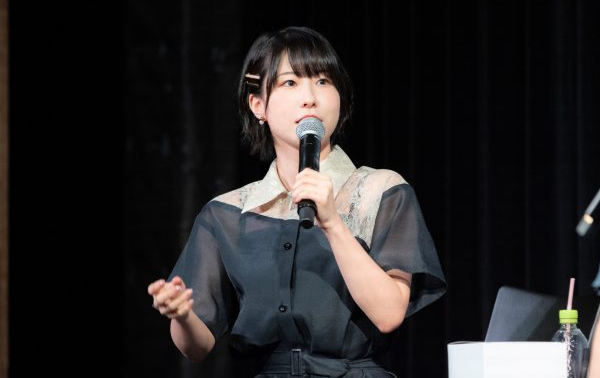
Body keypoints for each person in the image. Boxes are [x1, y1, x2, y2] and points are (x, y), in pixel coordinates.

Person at [147, 26, 447, 377]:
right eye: (290, 82)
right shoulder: (226, 213)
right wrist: (182, 315)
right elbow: (196, 348)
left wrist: (332, 223)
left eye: (323, 81)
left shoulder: (380, 190)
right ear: (258, 105)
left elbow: (389, 314)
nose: (310, 97)